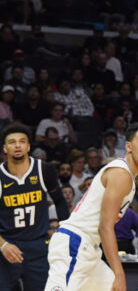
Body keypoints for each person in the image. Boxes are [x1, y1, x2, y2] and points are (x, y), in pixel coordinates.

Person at [45, 122, 138, 290]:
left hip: (89, 249)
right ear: (128, 146)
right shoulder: (121, 174)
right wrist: (119, 273)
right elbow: (105, 227)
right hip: (74, 243)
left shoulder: (126, 175)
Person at [0, 124, 70, 291]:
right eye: (12, 142)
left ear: (28, 146)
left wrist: (63, 232)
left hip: (38, 245)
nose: (17, 146)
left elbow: (60, 202)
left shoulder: (44, 170)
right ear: (4, 148)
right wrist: (2, 245)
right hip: (7, 246)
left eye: (22, 141)